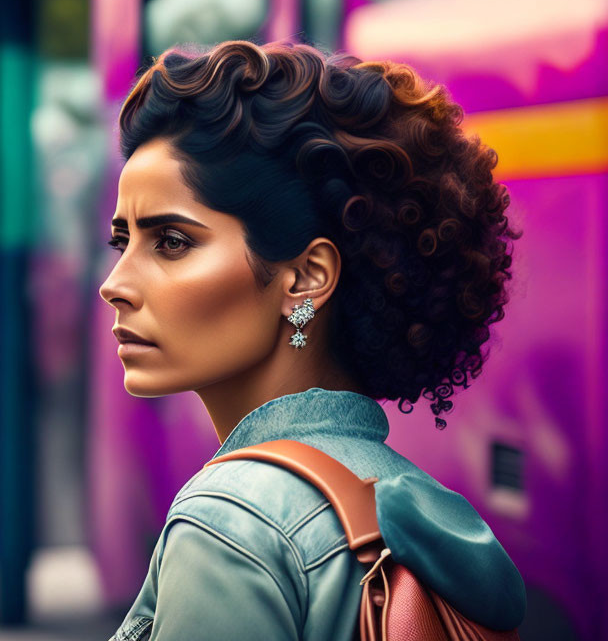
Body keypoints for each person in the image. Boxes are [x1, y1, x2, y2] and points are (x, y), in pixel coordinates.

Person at [99, 40, 525, 640]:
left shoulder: (231, 522)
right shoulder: (418, 501)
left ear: (306, 277)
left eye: (171, 241)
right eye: (123, 243)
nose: (114, 286)